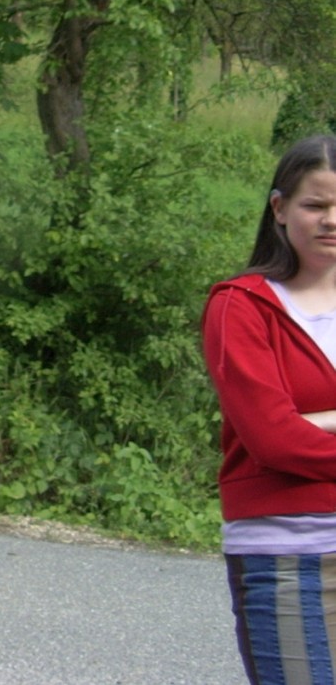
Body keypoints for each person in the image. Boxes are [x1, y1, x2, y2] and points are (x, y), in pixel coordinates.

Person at [203, 134, 336, 684]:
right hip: (289, 556)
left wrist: (317, 422)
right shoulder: (241, 306)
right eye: (315, 205)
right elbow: (273, 440)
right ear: (279, 209)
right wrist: (291, 429)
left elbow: (286, 432)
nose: (331, 220)